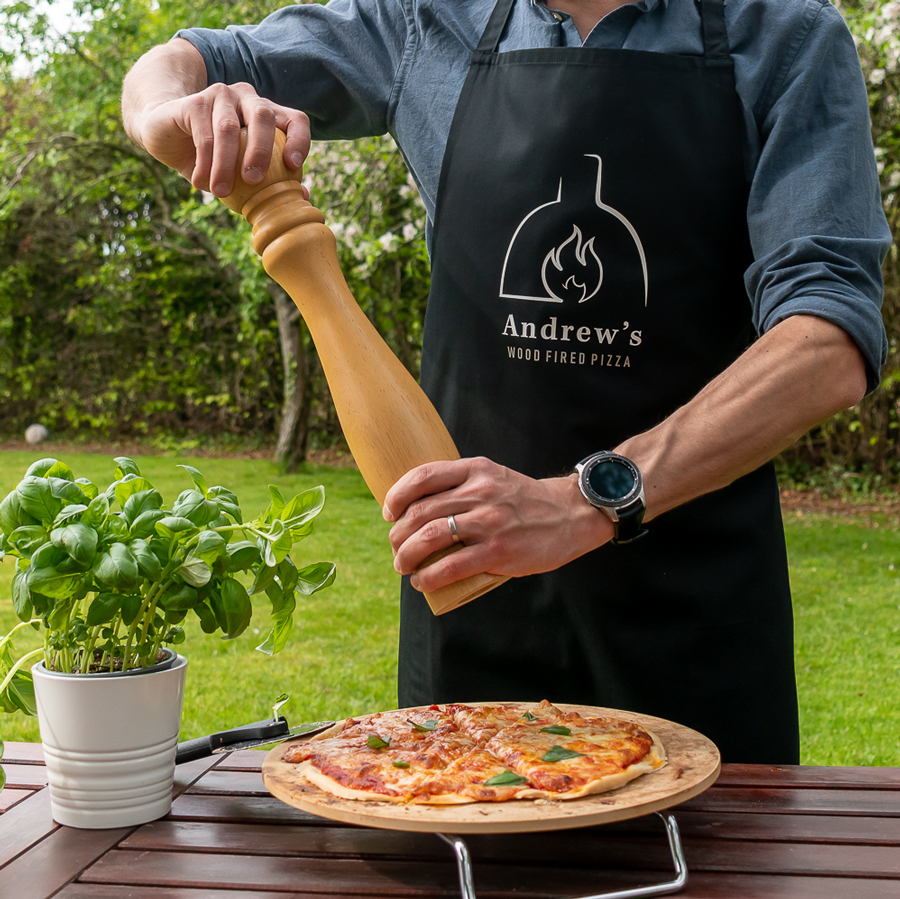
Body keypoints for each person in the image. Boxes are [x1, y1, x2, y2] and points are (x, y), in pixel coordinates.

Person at [122, 0, 890, 764]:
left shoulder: (787, 37)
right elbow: (174, 68)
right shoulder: (425, 23)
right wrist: (172, 112)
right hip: (468, 596)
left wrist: (581, 502)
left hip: (696, 614)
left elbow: (827, 340)